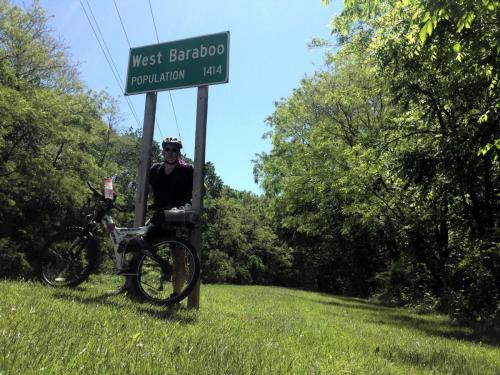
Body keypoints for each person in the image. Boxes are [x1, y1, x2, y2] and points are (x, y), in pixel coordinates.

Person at [146, 136, 193, 297]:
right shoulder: (155, 169)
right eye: (168, 149)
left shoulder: (187, 170)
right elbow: (151, 188)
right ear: (163, 151)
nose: (171, 152)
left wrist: (190, 205)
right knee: (142, 245)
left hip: (178, 218)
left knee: (179, 258)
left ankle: (176, 294)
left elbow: (203, 189)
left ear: (179, 152)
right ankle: (138, 284)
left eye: (174, 149)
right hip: (159, 216)